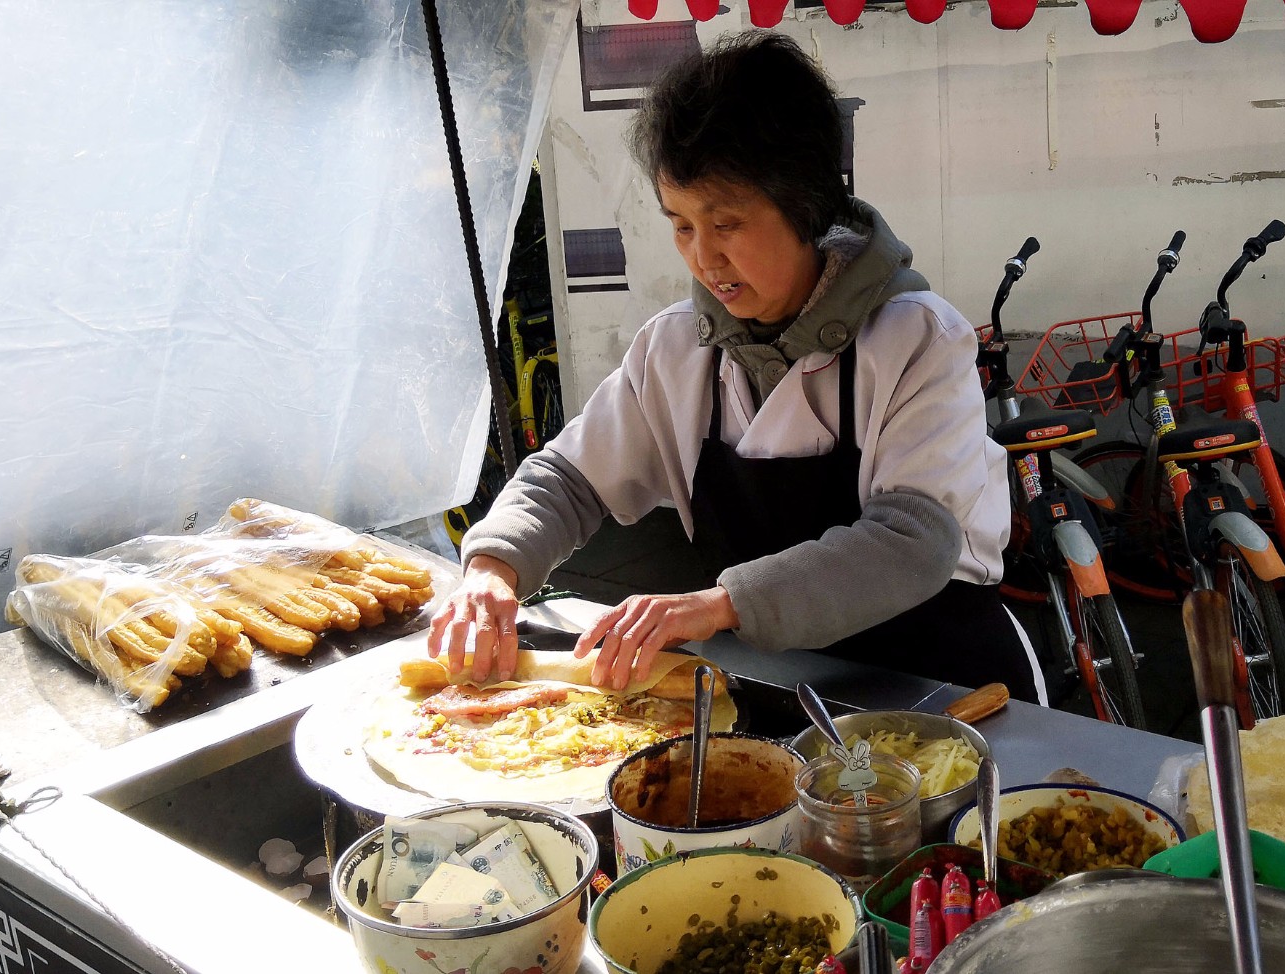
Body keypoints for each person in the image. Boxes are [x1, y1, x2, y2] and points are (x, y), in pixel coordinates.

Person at [428, 30, 1048, 705]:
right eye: (682, 224)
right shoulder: (677, 351)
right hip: (772, 685)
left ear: (805, 204)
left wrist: (718, 605)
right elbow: (568, 479)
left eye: (726, 224)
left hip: (943, 686)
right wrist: (494, 566)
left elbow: (912, 543)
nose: (703, 258)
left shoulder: (918, 340)